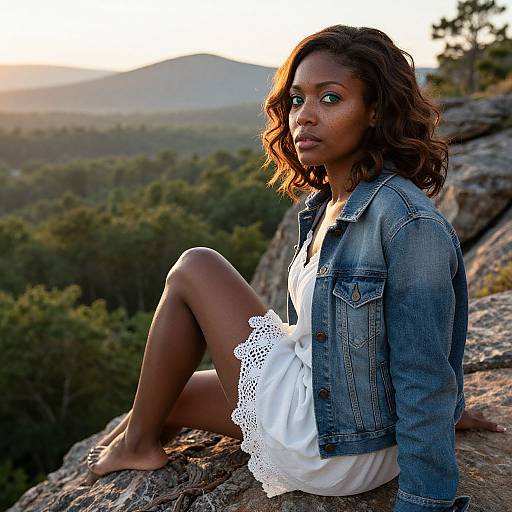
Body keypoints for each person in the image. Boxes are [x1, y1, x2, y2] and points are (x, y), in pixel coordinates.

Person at [85, 25, 506, 511]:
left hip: (339, 446)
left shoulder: (407, 223)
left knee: (195, 266)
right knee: (165, 397)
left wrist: (425, 496)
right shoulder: (326, 203)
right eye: (296, 100)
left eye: (330, 98)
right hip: (332, 400)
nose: (304, 117)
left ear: (375, 112)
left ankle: (136, 448)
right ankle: (141, 437)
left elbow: (423, 368)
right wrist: (452, 410)